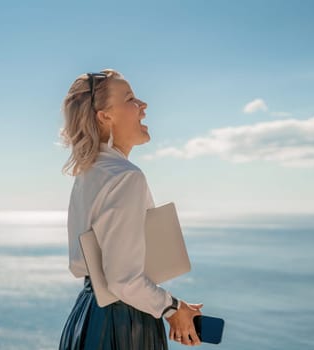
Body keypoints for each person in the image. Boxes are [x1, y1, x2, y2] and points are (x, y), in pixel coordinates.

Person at [57, 69, 204, 349]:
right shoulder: (126, 177)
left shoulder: (89, 172)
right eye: (131, 99)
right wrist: (173, 308)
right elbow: (123, 281)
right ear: (105, 116)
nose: (143, 106)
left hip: (86, 315)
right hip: (122, 324)